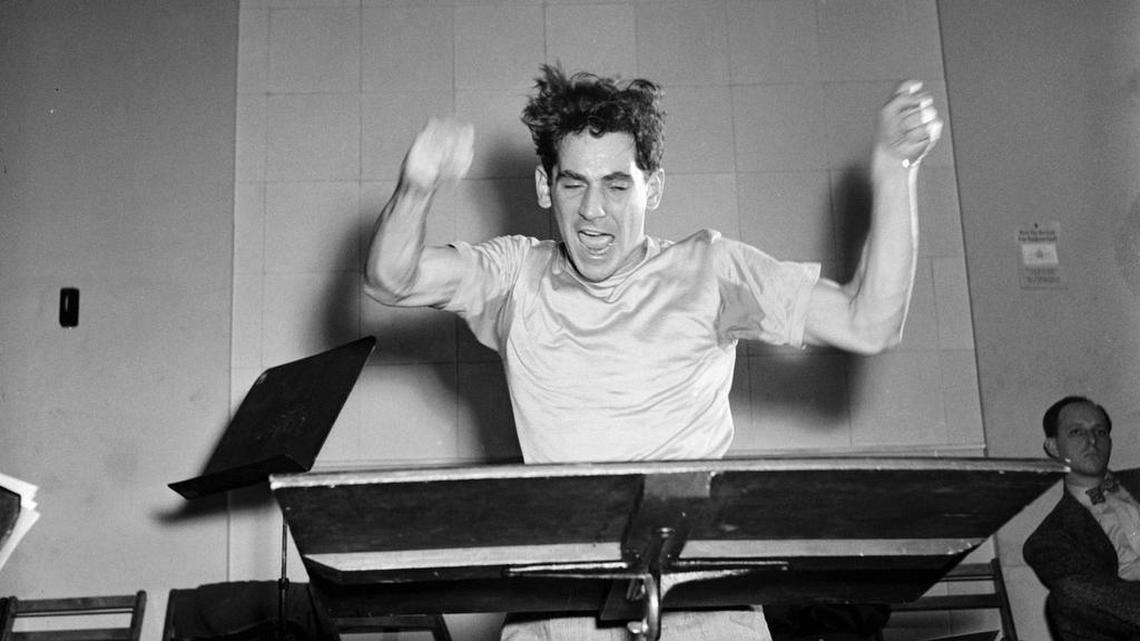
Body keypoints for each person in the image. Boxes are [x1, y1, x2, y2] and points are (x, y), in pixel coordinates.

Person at [363, 65, 941, 640]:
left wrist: (895, 169)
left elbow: (869, 324)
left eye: (617, 184)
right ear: (545, 186)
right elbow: (391, 279)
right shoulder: (514, 275)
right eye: (573, 184)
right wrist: (417, 186)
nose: (594, 211)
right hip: (562, 607)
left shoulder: (711, 271)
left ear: (653, 187)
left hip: (703, 604)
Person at [1023, 396, 1140, 641]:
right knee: (1066, 595)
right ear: (1053, 447)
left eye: (1100, 431)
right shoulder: (1049, 539)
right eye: (1077, 432)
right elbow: (1096, 599)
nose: (1092, 440)